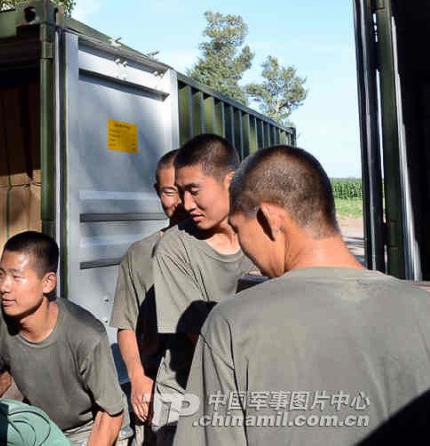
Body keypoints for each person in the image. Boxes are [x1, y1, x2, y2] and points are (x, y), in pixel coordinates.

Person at [175, 146, 430, 446]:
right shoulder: (422, 307)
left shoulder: (232, 325)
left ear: (269, 219)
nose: (244, 246)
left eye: (239, 229)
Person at [0, 231, 130, 445]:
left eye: (16, 276)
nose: (4, 286)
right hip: (43, 425)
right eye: (1, 274)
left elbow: (111, 414)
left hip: (90, 429)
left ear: (48, 282)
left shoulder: (85, 334)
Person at [150, 134, 254, 442]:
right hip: (189, 399)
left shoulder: (261, 238)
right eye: (180, 192)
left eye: (194, 191)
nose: (185, 204)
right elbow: (204, 340)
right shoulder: (174, 249)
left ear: (231, 181)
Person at [110, 149, 189, 445]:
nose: (180, 202)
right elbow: (125, 324)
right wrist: (138, 377)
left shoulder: (228, 250)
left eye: (186, 191)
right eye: (170, 192)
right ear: (157, 191)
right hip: (156, 388)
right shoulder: (140, 255)